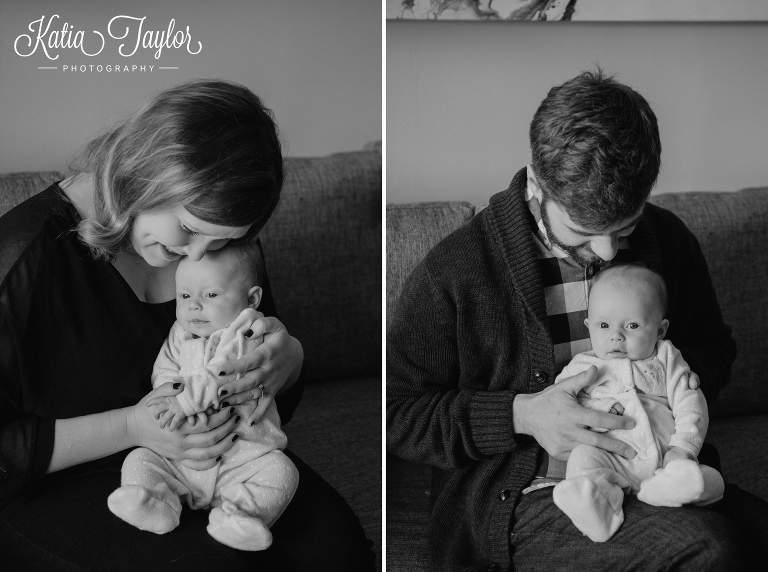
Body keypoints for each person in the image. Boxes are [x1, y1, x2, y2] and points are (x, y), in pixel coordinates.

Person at [387, 69, 768, 570]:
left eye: (626, 227)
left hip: (657, 467)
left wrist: (661, 379)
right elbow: (398, 411)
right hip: (532, 491)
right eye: (584, 231)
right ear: (537, 181)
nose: (608, 251)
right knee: (710, 551)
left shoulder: (670, 240)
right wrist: (522, 415)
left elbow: (714, 347)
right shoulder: (457, 271)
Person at [0, 79, 374, 571]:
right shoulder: (23, 260)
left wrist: (289, 361)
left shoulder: (216, 238)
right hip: (63, 479)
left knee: (337, 553)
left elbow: (262, 403)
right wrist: (133, 427)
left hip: (220, 461)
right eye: (192, 230)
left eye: (219, 243)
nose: (195, 257)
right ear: (153, 173)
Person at [108, 242, 299, 551]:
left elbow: (223, 374)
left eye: (210, 295)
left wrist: (183, 402)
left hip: (244, 459)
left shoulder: (247, 333)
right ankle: (156, 500)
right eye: (184, 296)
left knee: (282, 471)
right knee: (139, 458)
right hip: (179, 459)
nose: (194, 306)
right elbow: (164, 369)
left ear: (251, 299)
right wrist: (165, 395)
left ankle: (239, 516)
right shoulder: (178, 333)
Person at [552, 263, 724, 542]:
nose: (616, 336)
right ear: (589, 327)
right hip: (613, 460)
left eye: (632, 325)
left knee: (710, 482)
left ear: (659, 330)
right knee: (583, 458)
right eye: (604, 325)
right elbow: (560, 407)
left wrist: (683, 450)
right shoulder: (582, 367)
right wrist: (595, 410)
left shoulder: (667, 359)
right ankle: (598, 507)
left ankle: (677, 487)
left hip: (667, 459)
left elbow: (690, 404)